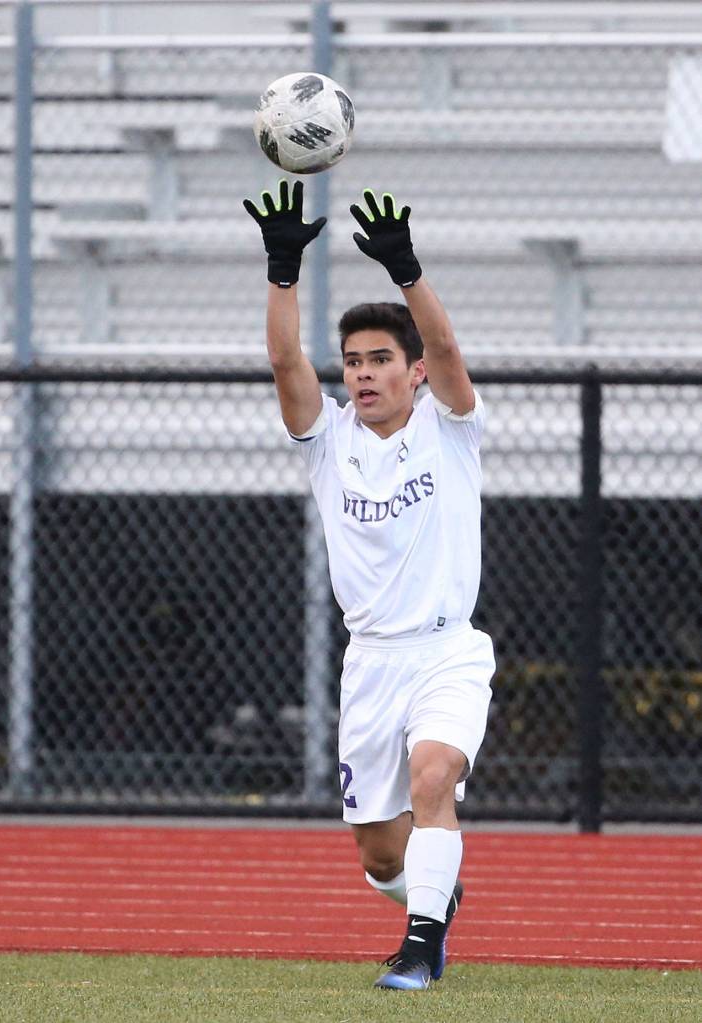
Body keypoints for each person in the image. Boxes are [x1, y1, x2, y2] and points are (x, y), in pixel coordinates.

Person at [244, 180, 495, 991]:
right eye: (353, 361)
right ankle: (430, 892)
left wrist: (407, 272)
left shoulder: (449, 427)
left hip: (447, 651)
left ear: (413, 372)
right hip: (372, 663)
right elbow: (286, 360)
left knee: (434, 776)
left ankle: (421, 947)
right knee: (381, 851)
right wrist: (284, 270)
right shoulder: (327, 441)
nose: (363, 373)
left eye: (380, 358)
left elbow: (451, 352)